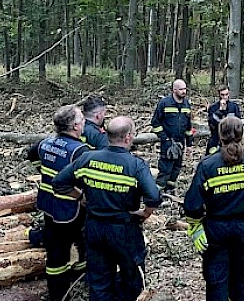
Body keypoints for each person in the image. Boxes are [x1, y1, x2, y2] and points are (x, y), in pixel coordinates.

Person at [53, 116, 162, 301]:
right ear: (128, 137)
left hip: (94, 228)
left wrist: (80, 197)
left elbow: (59, 183)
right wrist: (145, 213)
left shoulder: (88, 158)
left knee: (99, 282)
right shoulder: (135, 165)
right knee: (132, 278)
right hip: (124, 230)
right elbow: (154, 196)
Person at [184, 117, 244, 301]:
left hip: (217, 230)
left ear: (219, 136)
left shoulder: (208, 165)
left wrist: (196, 226)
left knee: (216, 278)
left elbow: (192, 204)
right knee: (243, 277)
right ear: (242, 135)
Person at [27, 105, 90, 301]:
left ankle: (71, 280)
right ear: (75, 126)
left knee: (59, 243)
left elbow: (31, 154)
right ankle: (60, 292)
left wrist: (43, 171)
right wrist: (82, 196)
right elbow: (85, 180)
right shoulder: (79, 151)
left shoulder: (46, 143)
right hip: (70, 207)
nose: (85, 123)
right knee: (62, 251)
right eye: (82, 120)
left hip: (48, 203)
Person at [151, 79, 194, 192]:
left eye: (185, 89)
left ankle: (169, 189)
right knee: (165, 168)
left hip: (181, 142)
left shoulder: (186, 104)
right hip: (168, 142)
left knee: (177, 167)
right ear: (174, 90)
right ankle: (157, 192)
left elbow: (188, 126)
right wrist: (164, 138)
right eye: (181, 89)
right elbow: (155, 123)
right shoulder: (165, 103)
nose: (184, 91)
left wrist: (189, 144)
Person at [206, 85, 242, 155]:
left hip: (232, 140)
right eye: (222, 95)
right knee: (211, 156)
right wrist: (220, 111)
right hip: (216, 138)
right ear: (219, 95)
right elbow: (211, 124)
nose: (225, 97)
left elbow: (238, 124)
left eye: (226, 94)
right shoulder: (213, 108)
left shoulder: (234, 107)